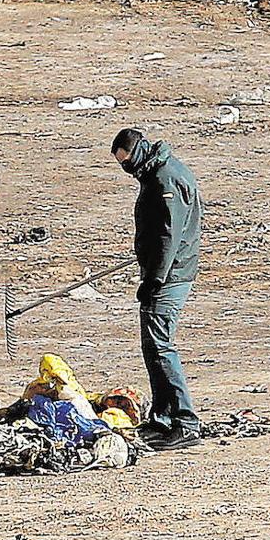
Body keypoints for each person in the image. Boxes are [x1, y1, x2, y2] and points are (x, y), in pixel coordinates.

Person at [111, 128, 204, 451]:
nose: (128, 170)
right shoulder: (158, 171)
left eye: (128, 162)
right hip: (166, 271)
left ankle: (185, 422)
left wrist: (154, 278)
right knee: (153, 347)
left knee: (161, 346)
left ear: (140, 150)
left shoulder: (165, 180)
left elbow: (168, 235)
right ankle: (163, 418)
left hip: (170, 276)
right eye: (122, 165)